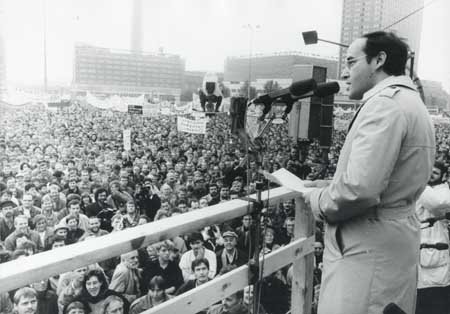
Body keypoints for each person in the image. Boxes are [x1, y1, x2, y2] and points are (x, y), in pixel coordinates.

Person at [303, 31, 435, 314]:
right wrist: (332, 182)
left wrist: (317, 199)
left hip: (367, 250)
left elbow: (360, 190)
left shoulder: (384, 105)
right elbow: (389, 178)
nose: (345, 72)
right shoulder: (411, 102)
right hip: (391, 240)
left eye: (351, 62)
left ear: (378, 60)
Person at [415, 162, 450, 314]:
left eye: (434, 173)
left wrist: (417, 181)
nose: (430, 176)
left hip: (435, 254)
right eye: (428, 172)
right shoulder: (423, 190)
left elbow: (436, 204)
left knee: (436, 303)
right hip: (418, 252)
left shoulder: (444, 192)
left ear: (443, 176)